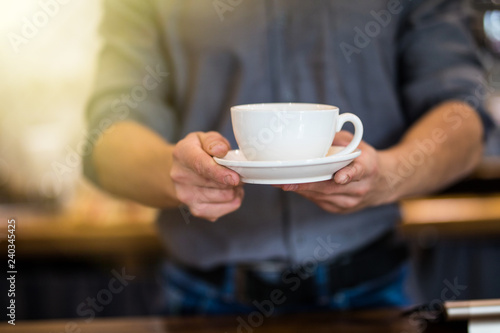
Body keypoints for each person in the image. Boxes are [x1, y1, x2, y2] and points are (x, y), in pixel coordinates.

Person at [84, 0, 494, 316]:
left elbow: (461, 113)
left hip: (374, 291)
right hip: (202, 299)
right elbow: (109, 132)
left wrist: (390, 174)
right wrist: (175, 173)